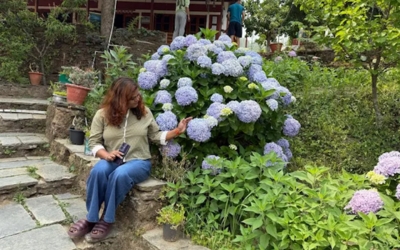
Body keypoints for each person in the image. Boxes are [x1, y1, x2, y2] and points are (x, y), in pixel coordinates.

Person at [67, 77, 192, 241]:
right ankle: (91, 219)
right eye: (132, 97)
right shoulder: (102, 115)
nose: (137, 99)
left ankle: (106, 219)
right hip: (113, 159)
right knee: (98, 171)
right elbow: (94, 142)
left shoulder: (144, 113)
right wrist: (106, 155)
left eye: (137, 95)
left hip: (139, 162)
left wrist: (177, 131)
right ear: (120, 98)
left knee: (120, 175)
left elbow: (155, 135)